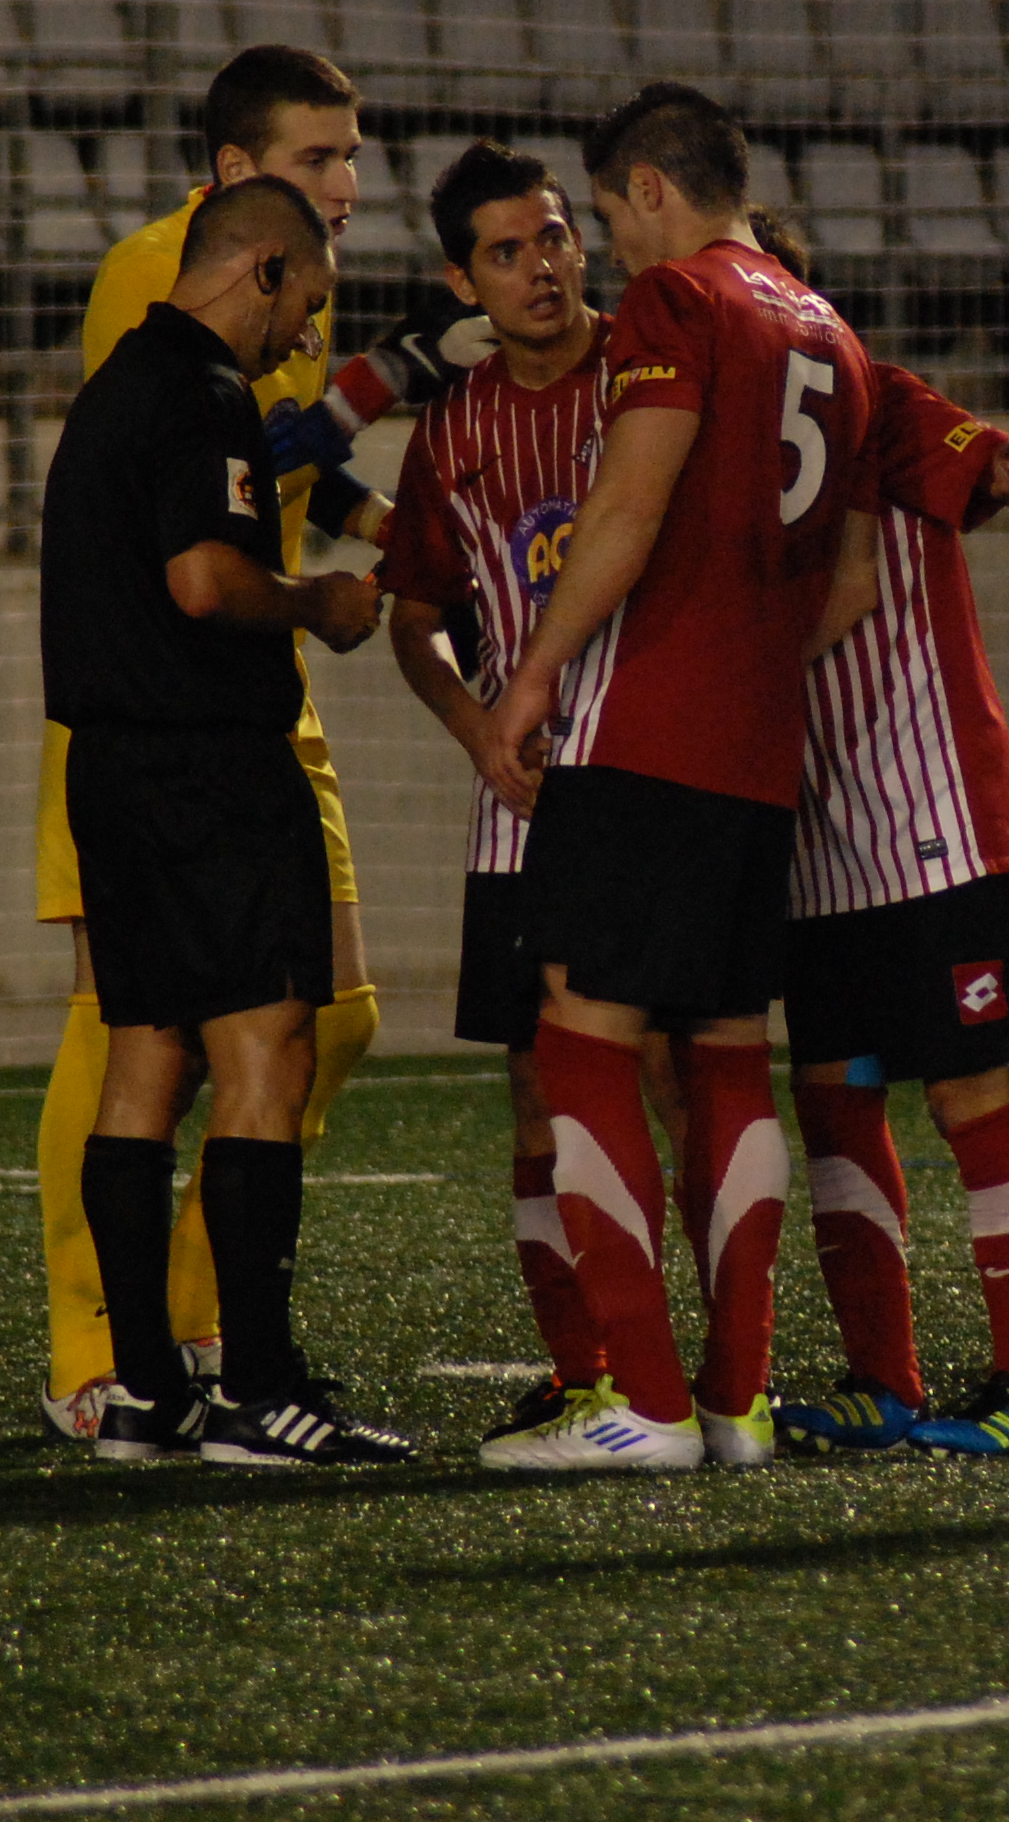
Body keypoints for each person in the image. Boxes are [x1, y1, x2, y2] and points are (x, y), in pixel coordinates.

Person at [34, 44, 480, 1439]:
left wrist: (387, 527)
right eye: (320, 160)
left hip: (141, 740)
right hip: (207, 747)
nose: (348, 186)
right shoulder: (177, 328)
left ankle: (158, 1380)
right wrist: (327, 592)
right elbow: (212, 544)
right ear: (248, 218)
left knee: (166, 1047)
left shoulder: (156, 381)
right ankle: (211, 1373)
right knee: (249, 1042)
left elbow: (263, 468)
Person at [476, 82, 880, 1473]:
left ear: (651, 188)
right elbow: (848, 574)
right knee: (722, 1053)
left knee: (580, 1035)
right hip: (759, 752)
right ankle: (735, 1400)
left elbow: (630, 505)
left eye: (603, 214)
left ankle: (638, 1401)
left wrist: (533, 675)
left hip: (648, 733)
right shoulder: (829, 326)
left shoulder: (680, 304)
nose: (607, 247)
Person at [770, 356, 1009, 1459]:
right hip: (818, 830)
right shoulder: (710, 428)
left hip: (933, 815)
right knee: (835, 1098)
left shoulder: (867, 393)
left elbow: (977, 458)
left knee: (967, 1093)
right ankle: (879, 1380)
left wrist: (1000, 461)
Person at [377, 139, 625, 1443]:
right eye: (508, 251)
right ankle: (585, 1368)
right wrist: (478, 731)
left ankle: (682, 1363)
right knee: (535, 1094)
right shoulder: (455, 432)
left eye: (555, 237)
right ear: (460, 278)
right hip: (516, 815)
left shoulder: (650, 384)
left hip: (650, 787)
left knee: (676, 1080)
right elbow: (414, 619)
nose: (542, 266)